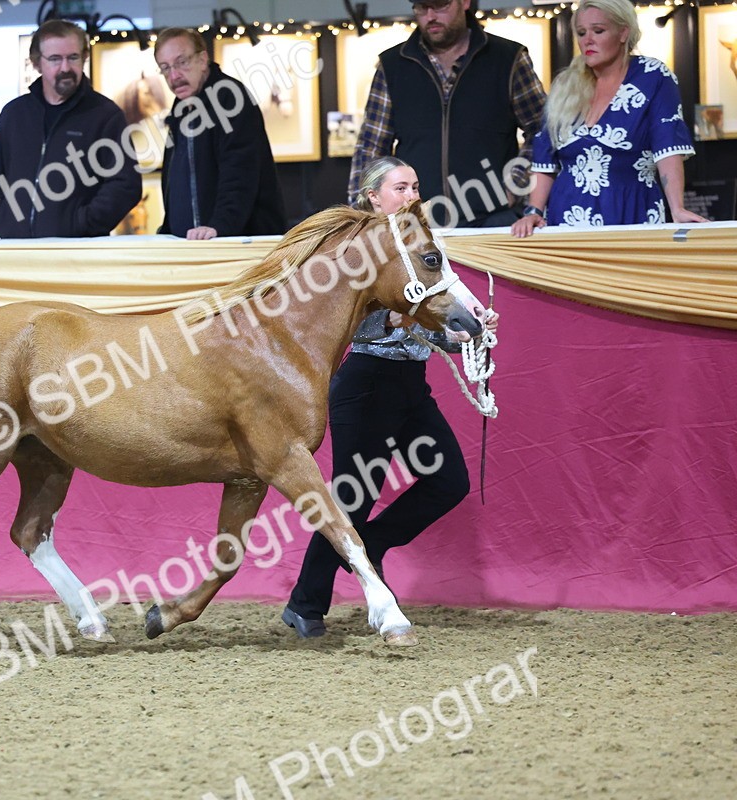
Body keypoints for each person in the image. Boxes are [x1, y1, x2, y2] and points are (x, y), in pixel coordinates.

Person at [281, 157, 499, 638]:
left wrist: (466, 329)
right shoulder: (354, 251)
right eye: (401, 188)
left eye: (416, 187)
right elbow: (340, 319)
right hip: (367, 382)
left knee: (448, 482)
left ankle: (367, 549)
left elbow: (430, 320)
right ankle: (306, 604)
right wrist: (397, 320)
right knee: (353, 498)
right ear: (374, 197)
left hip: (407, 383)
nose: (412, 196)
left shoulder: (417, 246)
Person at [511, 0, 707, 236]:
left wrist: (677, 208)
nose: (587, 40)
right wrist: (534, 211)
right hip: (566, 217)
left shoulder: (653, 76)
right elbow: (545, 160)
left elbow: (668, 145)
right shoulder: (565, 86)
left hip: (632, 211)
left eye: (598, 31)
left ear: (623, 32)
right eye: (581, 33)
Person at [349, 0, 547, 228]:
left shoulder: (508, 58)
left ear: (464, 2)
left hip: (494, 220)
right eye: (422, 7)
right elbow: (371, 146)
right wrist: (362, 214)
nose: (430, 15)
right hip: (416, 223)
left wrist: (514, 184)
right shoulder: (392, 65)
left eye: (440, 5)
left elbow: (542, 131)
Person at [0, 19, 141, 238]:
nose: (65, 68)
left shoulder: (105, 115)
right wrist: (3, 222)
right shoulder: (14, 115)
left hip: (78, 255)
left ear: (84, 58)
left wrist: (82, 223)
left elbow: (125, 184)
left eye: (73, 58)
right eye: (55, 59)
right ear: (36, 63)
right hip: (17, 252)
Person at [153, 27, 286, 240]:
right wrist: (168, 229)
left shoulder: (229, 98)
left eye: (182, 62)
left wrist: (220, 226)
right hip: (195, 244)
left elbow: (240, 172)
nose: (174, 75)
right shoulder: (180, 109)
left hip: (236, 244)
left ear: (202, 59)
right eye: (165, 68)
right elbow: (174, 180)